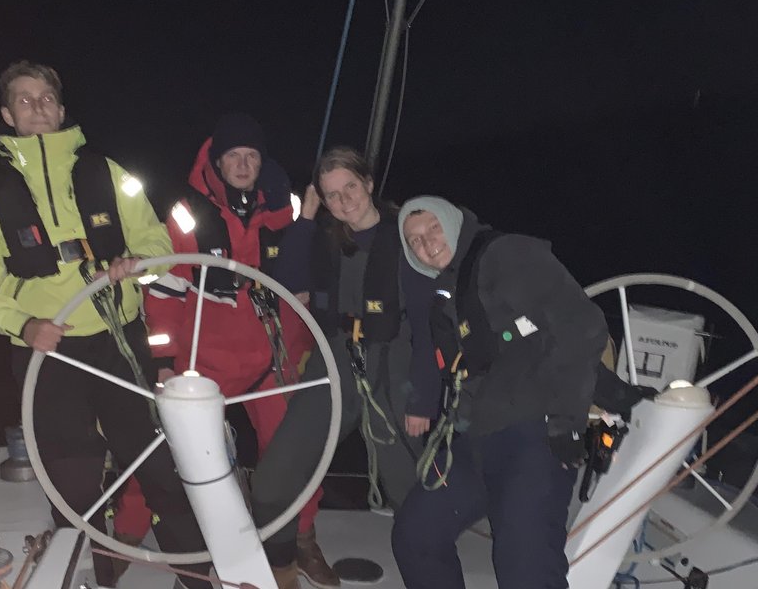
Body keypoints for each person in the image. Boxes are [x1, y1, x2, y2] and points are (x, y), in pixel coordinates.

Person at [0, 60, 211, 588]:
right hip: (46, 352)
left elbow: (156, 239)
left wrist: (138, 262)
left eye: (46, 98)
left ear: (62, 108)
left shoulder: (110, 174)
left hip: (120, 343)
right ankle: (99, 573)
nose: (37, 107)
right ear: (7, 114)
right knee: (72, 477)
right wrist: (23, 325)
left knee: (157, 463)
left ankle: (198, 575)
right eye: (24, 100)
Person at [138, 113, 332, 587]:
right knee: (173, 451)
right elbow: (164, 291)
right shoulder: (186, 212)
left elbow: (308, 271)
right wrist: (163, 363)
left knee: (294, 453)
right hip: (203, 364)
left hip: (271, 359)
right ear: (217, 163)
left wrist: (301, 340)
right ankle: (126, 533)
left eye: (252, 156)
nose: (244, 165)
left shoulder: (286, 207)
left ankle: (301, 539)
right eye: (234, 156)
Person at [391, 196, 609, 589]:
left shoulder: (505, 254)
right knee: (416, 536)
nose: (427, 243)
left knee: (524, 567)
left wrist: (567, 424)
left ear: (453, 222)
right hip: (473, 439)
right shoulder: (445, 292)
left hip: (533, 436)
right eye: (415, 240)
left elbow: (582, 325)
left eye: (433, 228)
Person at [250, 147, 434, 588]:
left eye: (350, 187)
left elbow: (431, 323)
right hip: (333, 364)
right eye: (332, 194)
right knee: (271, 482)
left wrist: (425, 398)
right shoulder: (324, 239)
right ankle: (283, 571)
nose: (344, 200)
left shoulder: (406, 236)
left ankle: (430, 576)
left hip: (394, 365)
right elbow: (285, 281)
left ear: (369, 183)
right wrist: (307, 217)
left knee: (410, 493)